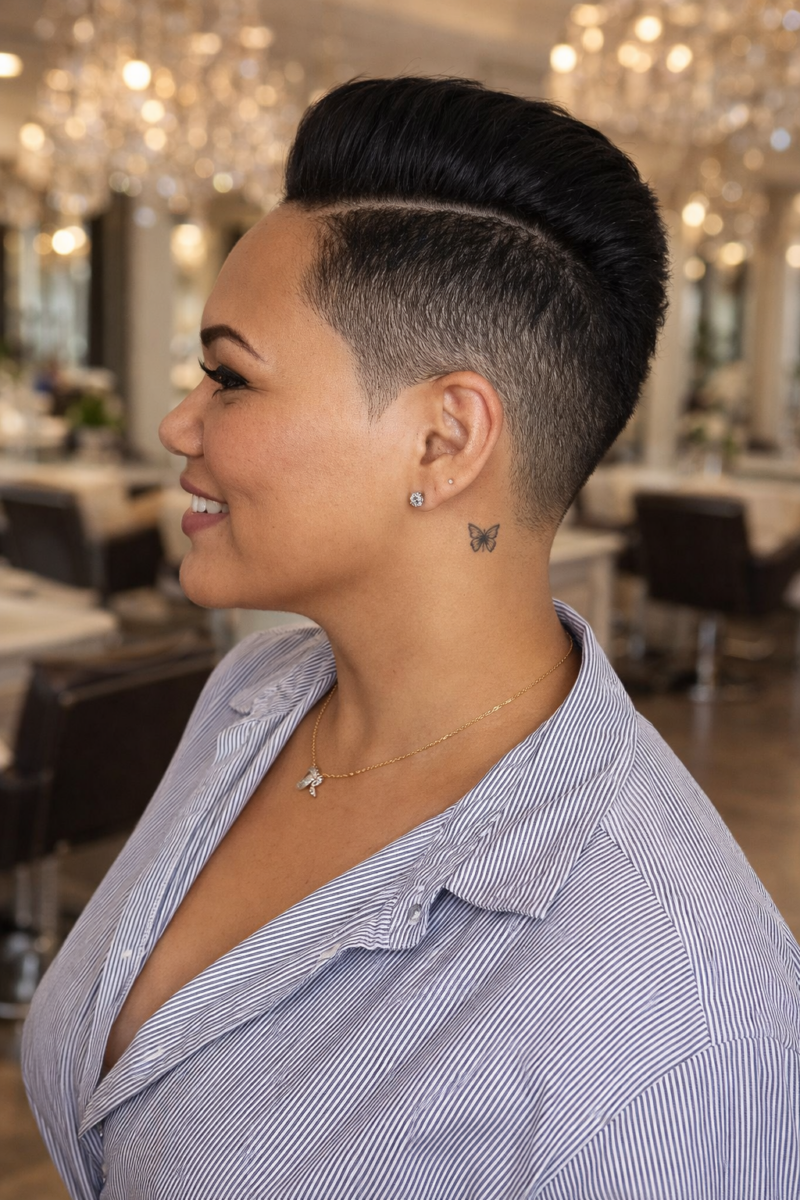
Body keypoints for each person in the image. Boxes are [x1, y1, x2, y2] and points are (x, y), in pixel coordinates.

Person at [23, 76, 800, 1199]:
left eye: (228, 376)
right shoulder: (255, 692)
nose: (177, 422)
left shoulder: (679, 1031)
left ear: (444, 438)